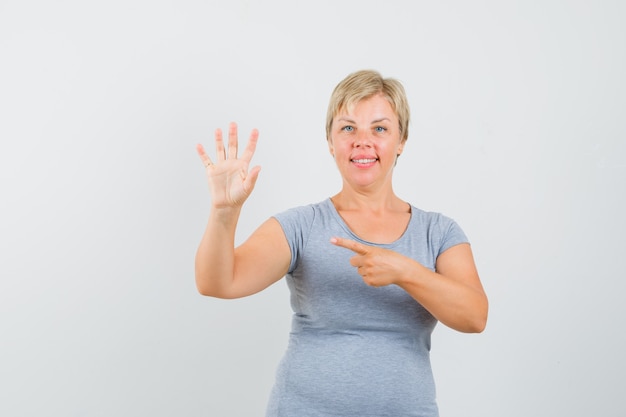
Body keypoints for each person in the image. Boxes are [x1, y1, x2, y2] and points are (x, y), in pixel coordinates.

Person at [195, 69, 488, 417]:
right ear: (331, 142)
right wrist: (225, 212)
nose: (362, 141)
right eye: (348, 128)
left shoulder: (438, 232)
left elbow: (475, 316)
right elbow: (217, 283)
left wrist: (404, 270)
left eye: (379, 128)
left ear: (402, 140)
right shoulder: (302, 225)